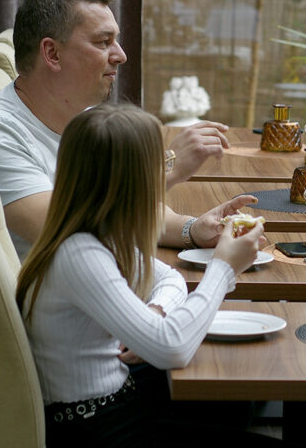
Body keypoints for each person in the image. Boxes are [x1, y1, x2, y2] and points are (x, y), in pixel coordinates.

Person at [0, 0, 257, 419]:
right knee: (218, 383)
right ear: (51, 53)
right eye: (103, 41)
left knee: (222, 373)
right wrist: (169, 168)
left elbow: (115, 215)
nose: (121, 55)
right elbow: (74, 229)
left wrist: (191, 230)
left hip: (47, 328)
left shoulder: (78, 116)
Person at [16, 103, 265, 447]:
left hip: (116, 407)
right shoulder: (80, 254)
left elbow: (169, 279)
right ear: (133, 181)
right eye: (157, 167)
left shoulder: (91, 232)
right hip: (97, 428)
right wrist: (224, 268)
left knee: (237, 394)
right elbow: (172, 347)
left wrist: (155, 311)